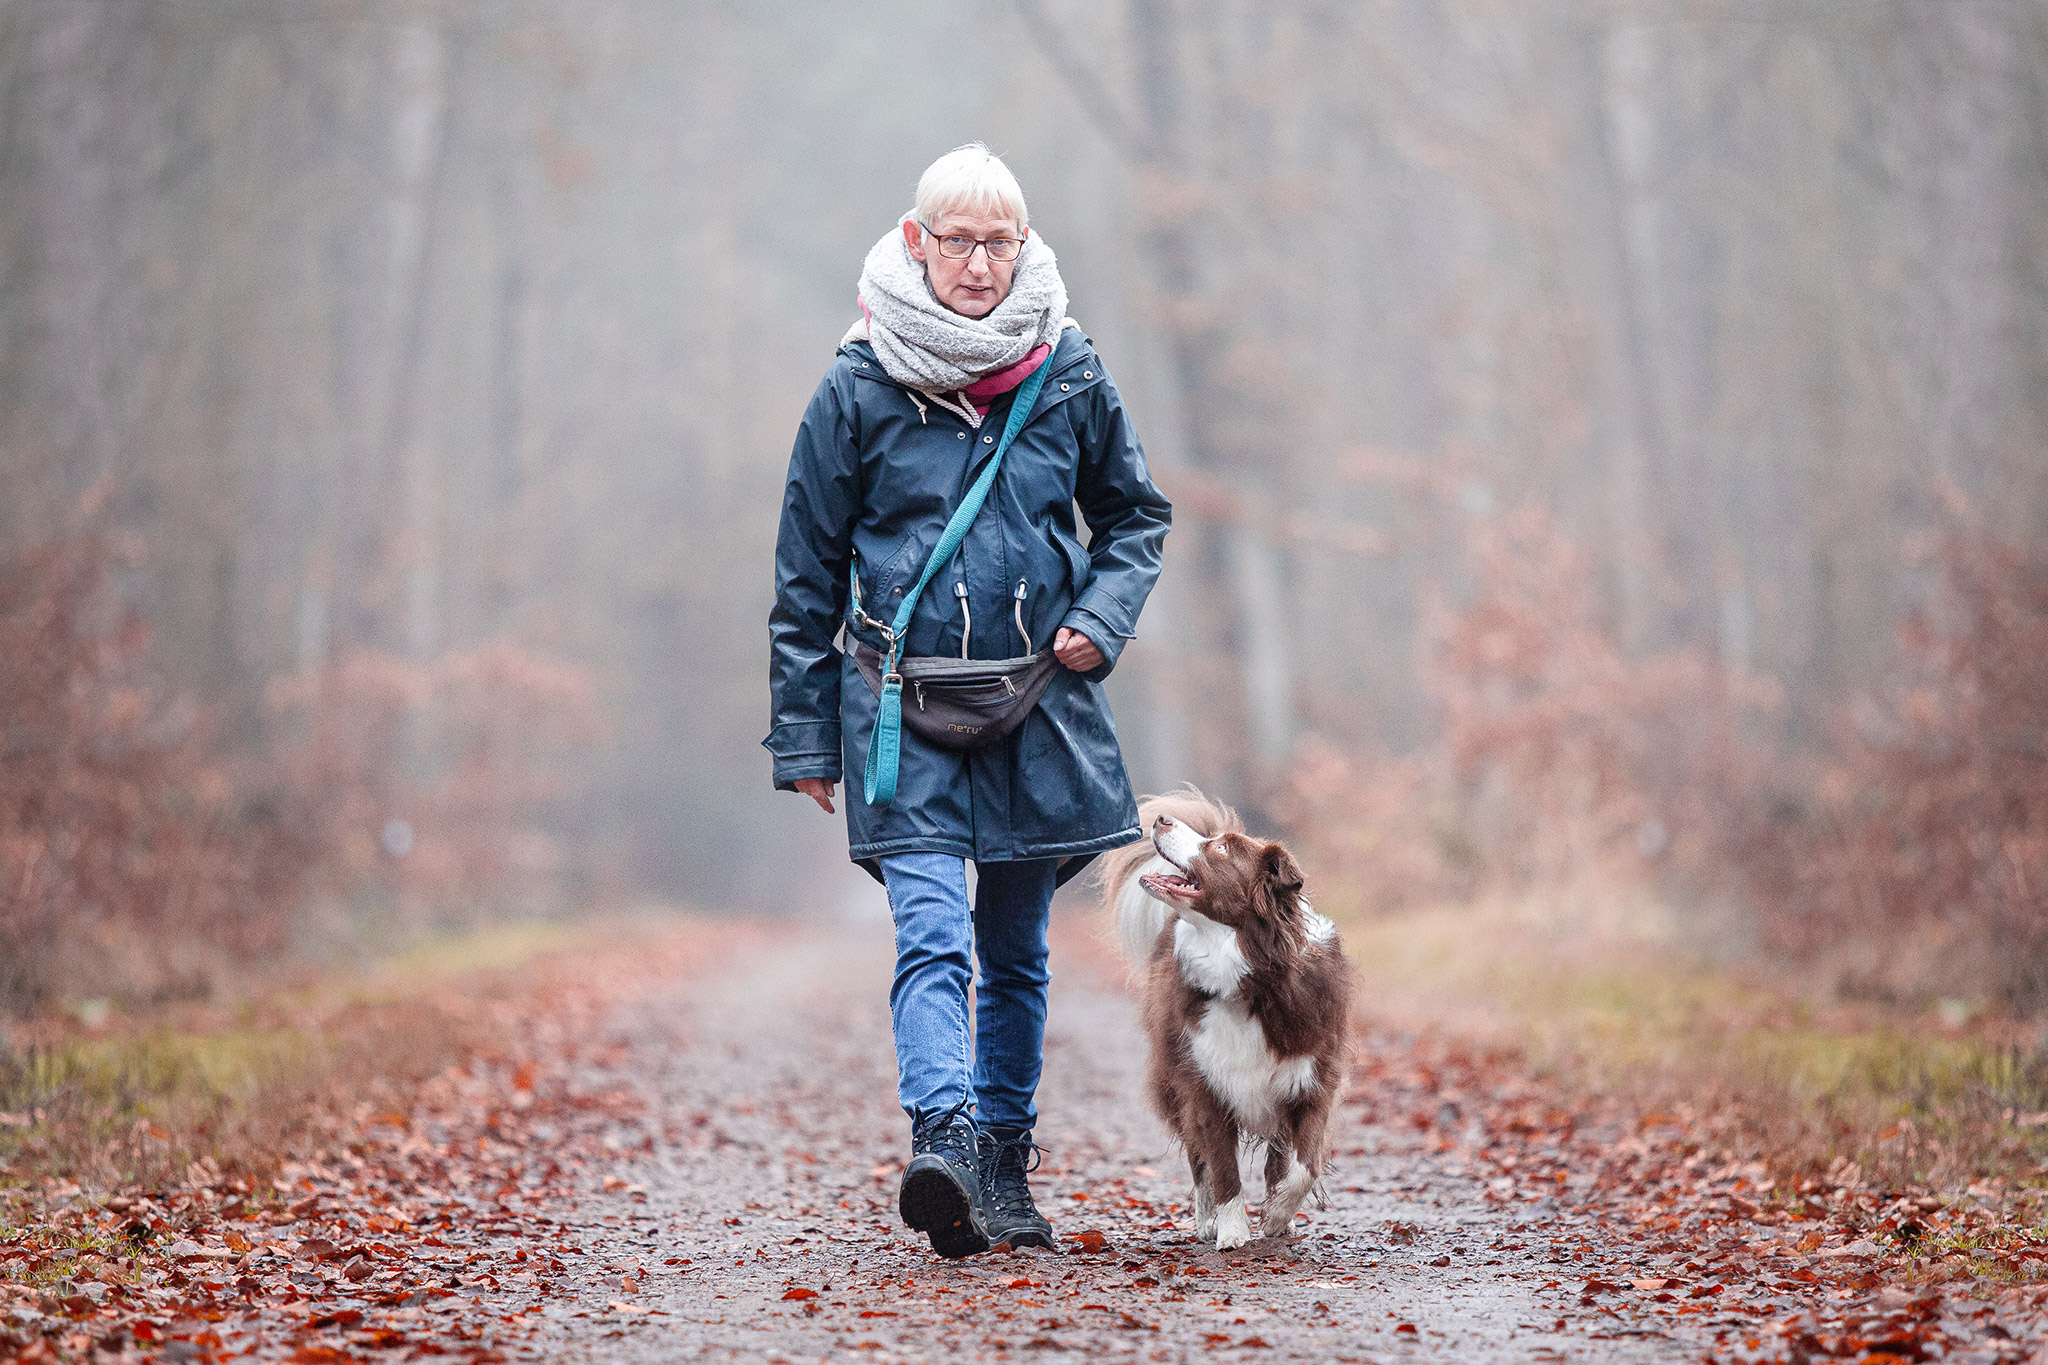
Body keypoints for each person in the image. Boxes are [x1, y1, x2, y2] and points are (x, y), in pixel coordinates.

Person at [764, 144, 1171, 1258]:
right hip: (900, 711)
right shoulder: (854, 388)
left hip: (1036, 702)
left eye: (999, 243)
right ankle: (940, 1141)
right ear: (916, 244)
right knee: (931, 935)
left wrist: (1101, 618)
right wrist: (804, 732)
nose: (980, 266)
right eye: (959, 242)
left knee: (1018, 953)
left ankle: (1001, 1169)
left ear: (1023, 245)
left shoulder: (1068, 370)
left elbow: (1134, 517)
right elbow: (805, 576)